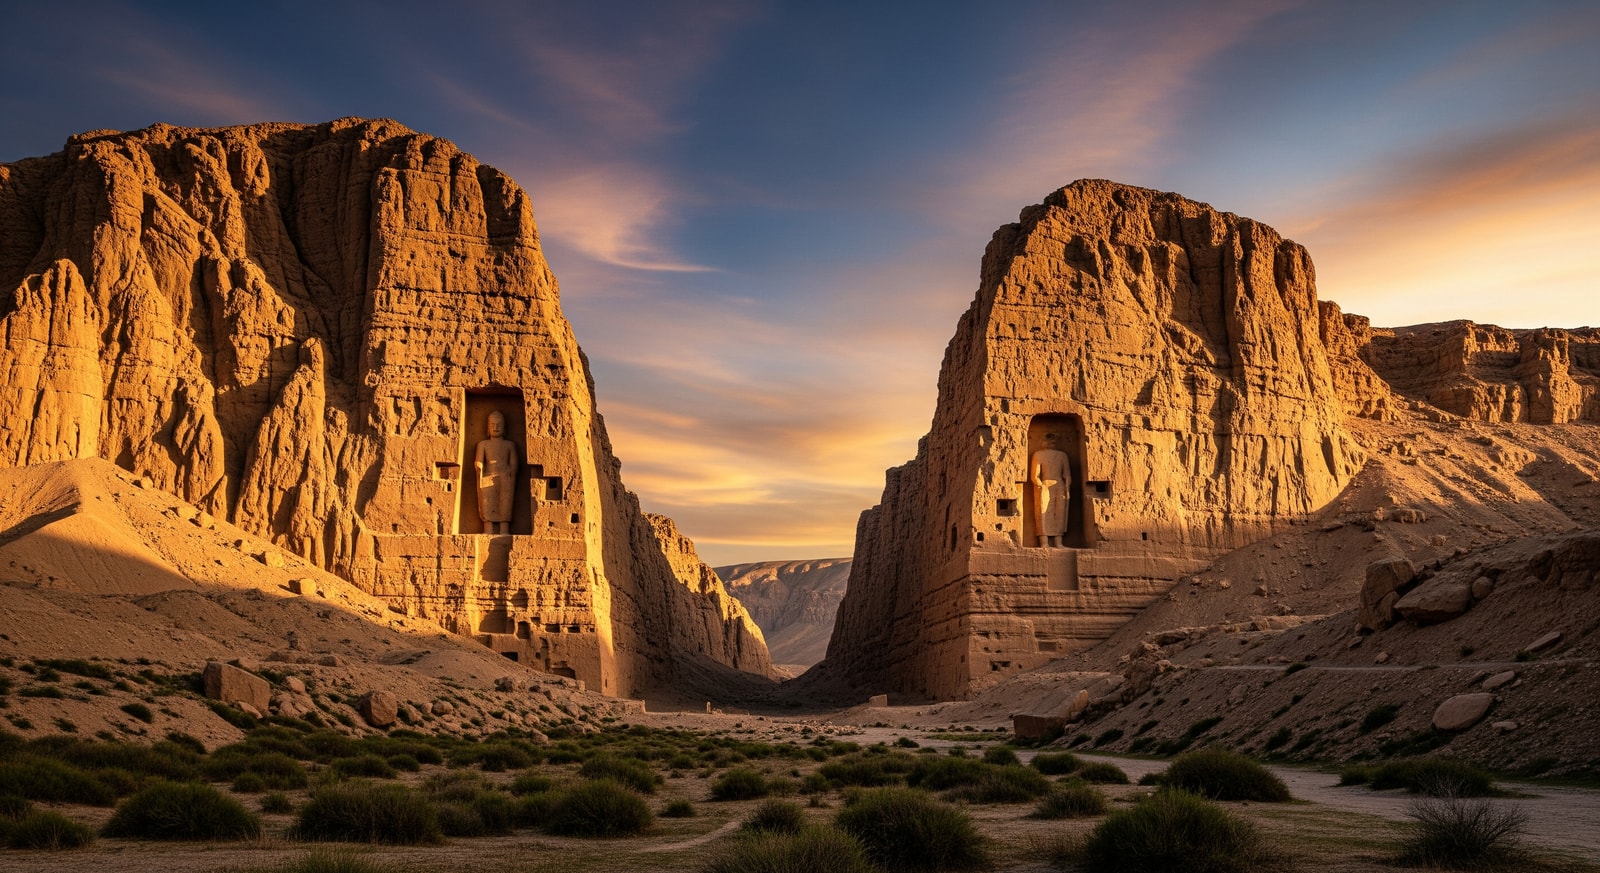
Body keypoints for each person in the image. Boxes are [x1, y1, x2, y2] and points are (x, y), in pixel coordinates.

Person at [474, 411, 518, 534]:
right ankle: (488, 528)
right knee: (487, 503)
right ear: (487, 428)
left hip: (505, 477)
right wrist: (478, 465)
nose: (495, 427)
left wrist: (511, 471)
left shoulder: (509, 445)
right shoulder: (483, 444)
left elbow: (513, 462)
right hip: (487, 476)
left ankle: (504, 529)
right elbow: (479, 460)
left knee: (505, 503)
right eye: (492, 425)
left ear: (504, 428)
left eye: (499, 425)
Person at [1030, 431, 1071, 547]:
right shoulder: (1038, 455)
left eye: (1052, 441)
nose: (1050, 443)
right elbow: (1034, 475)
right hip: (1045, 485)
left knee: (1060, 512)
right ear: (1042, 442)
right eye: (1047, 440)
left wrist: (1067, 484)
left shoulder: (1062, 455)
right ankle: (1044, 542)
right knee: (1043, 511)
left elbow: (1067, 473)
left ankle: (1059, 542)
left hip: (1059, 484)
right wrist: (1039, 484)